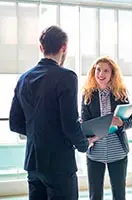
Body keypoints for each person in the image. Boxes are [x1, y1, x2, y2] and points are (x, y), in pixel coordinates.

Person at [9, 25, 89, 200]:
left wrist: (39, 133)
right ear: (64, 48)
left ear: (41, 47)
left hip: (33, 162)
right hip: (59, 164)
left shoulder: (24, 78)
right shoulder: (67, 76)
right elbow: (69, 124)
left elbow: (14, 123)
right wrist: (84, 144)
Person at [81, 56, 132, 200]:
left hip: (117, 151)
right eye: (98, 70)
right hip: (95, 151)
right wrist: (92, 135)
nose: (101, 74)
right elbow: (85, 124)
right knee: (95, 195)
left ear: (112, 74)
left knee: (119, 194)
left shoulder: (120, 93)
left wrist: (121, 123)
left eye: (106, 71)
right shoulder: (87, 95)